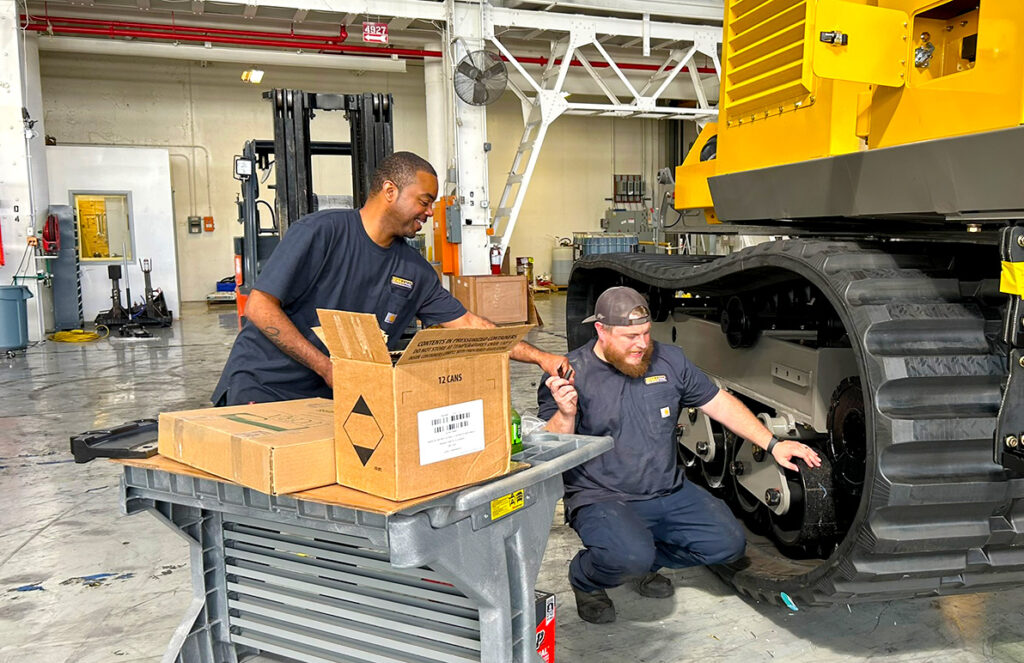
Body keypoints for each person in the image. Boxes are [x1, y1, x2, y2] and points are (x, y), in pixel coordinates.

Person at [538, 286, 821, 624]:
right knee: (627, 556)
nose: (641, 344)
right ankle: (586, 578)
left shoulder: (669, 360)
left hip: (667, 490)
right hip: (603, 496)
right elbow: (550, 449)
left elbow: (717, 403)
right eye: (630, 336)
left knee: (727, 545)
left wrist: (773, 443)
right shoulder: (570, 372)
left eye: (645, 333)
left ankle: (646, 563)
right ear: (600, 330)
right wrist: (566, 414)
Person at [213, 150, 566, 405]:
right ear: (390, 191)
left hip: (330, 396)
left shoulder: (414, 270)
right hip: (264, 387)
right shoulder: (320, 234)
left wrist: (541, 358)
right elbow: (259, 308)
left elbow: (470, 325)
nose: (431, 212)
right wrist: (325, 366)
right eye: (425, 201)